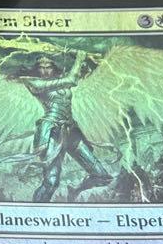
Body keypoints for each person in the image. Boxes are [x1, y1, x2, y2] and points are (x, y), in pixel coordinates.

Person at [13, 54, 113, 202]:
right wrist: (79, 58)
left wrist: (86, 62)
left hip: (72, 131)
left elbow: (78, 76)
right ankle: (35, 209)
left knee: (102, 176)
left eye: (48, 67)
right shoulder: (33, 82)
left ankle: (75, 191)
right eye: (41, 67)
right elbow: (72, 80)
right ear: (36, 69)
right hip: (53, 133)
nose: (45, 71)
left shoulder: (60, 80)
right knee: (51, 182)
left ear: (54, 67)